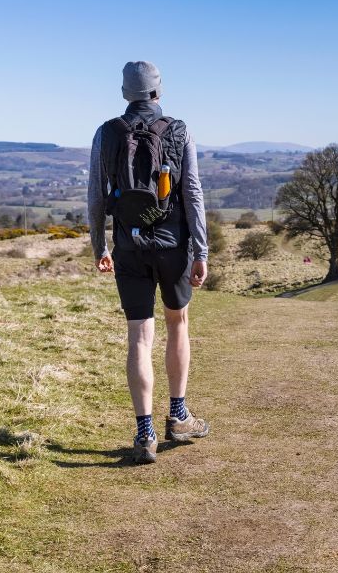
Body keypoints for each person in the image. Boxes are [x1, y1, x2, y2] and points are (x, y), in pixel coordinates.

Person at [88, 61, 210, 464]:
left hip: (128, 245)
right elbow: (191, 192)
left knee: (139, 336)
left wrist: (100, 247)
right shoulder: (179, 129)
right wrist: (200, 251)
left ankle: (145, 432)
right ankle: (178, 414)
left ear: (125, 93)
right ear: (158, 91)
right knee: (178, 323)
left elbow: (95, 197)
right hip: (173, 245)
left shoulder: (106, 133)